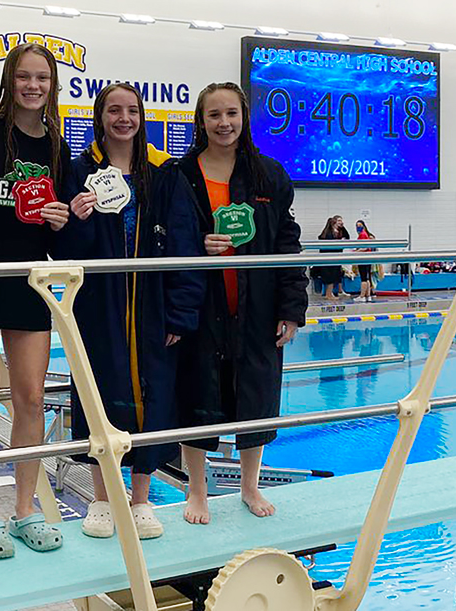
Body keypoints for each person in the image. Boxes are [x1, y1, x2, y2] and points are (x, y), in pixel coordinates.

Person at [55, 83, 205, 539]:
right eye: (114, 110)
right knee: (97, 394)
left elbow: (185, 244)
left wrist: (181, 313)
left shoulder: (164, 173)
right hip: (98, 305)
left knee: (153, 396)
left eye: (132, 110)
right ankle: (103, 498)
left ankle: (141, 500)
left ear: (142, 117)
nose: (124, 119)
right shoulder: (80, 170)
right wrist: (77, 219)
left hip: (152, 304)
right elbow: (65, 252)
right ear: (99, 117)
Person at [176, 82, 308, 525]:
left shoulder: (267, 174)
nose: (224, 123)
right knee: (196, 395)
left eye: (231, 113)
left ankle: (250, 486)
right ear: (201, 121)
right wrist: (199, 244)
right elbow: (170, 239)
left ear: (244, 118)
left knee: (256, 395)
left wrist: (292, 309)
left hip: (258, 307)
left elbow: (288, 244)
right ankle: (197, 490)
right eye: (214, 115)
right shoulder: (183, 175)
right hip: (202, 305)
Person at [0, 43, 69, 558]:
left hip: (29, 282)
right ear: (9, 80)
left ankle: (25, 508)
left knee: (30, 398)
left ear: (52, 84)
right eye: (23, 76)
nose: (32, 86)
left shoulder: (56, 146)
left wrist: (62, 221)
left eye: (41, 78)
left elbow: (59, 226)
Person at [317, 216, 349, 301]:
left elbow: (347, 236)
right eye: (339, 221)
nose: (341, 222)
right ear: (334, 222)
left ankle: (329, 293)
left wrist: (343, 227)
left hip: (333, 257)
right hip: (330, 257)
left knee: (333, 276)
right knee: (330, 277)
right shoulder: (329, 233)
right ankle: (329, 294)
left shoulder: (335, 232)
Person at [354, 219, 376, 302]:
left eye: (360, 226)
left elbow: (365, 247)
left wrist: (355, 252)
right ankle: (368, 295)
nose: (358, 227)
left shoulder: (362, 235)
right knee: (367, 278)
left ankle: (362, 296)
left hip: (363, 258)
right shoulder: (366, 234)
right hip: (368, 258)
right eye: (357, 226)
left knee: (363, 278)